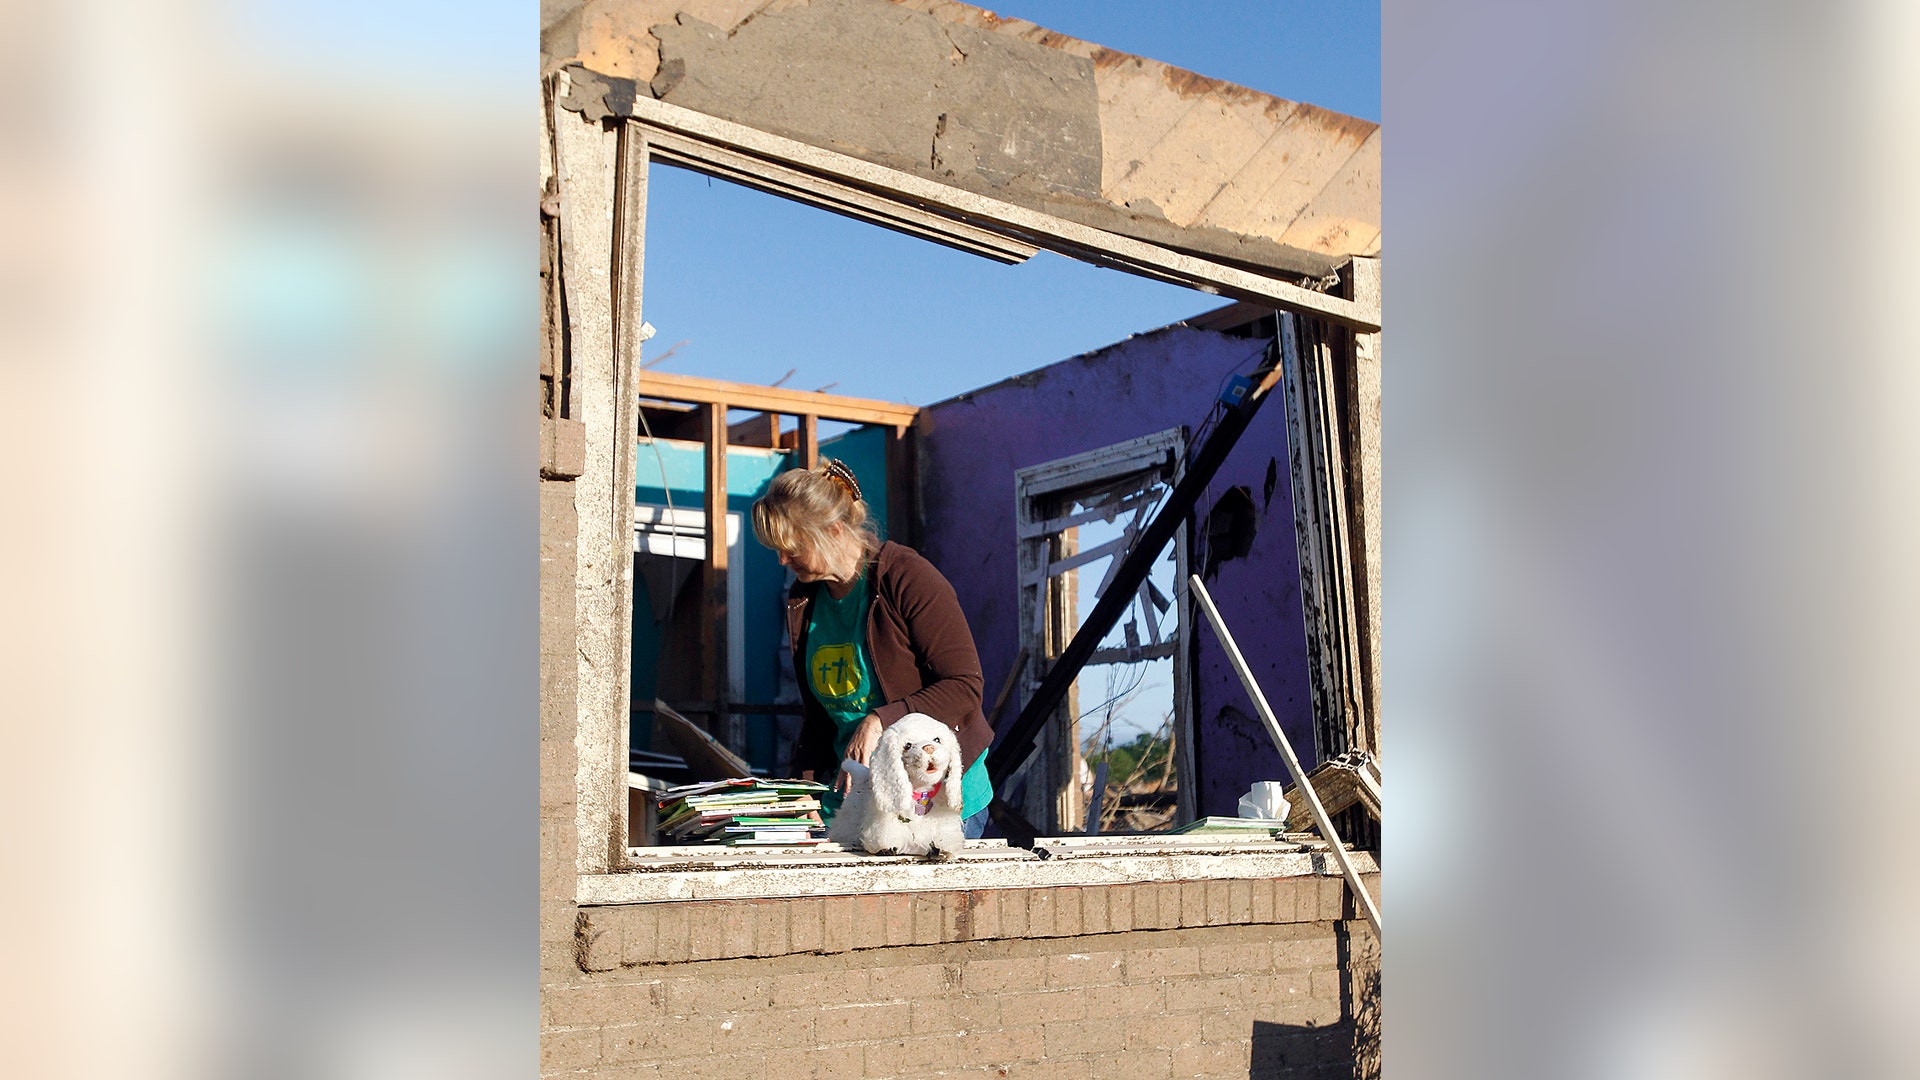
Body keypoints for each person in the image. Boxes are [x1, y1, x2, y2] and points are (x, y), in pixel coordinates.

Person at [751, 459, 995, 840]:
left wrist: (880, 719)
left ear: (833, 531)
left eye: (792, 547)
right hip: (854, 800)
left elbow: (964, 686)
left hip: (933, 799)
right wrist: (802, 796)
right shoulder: (805, 599)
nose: (782, 560)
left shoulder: (908, 578)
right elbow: (819, 719)